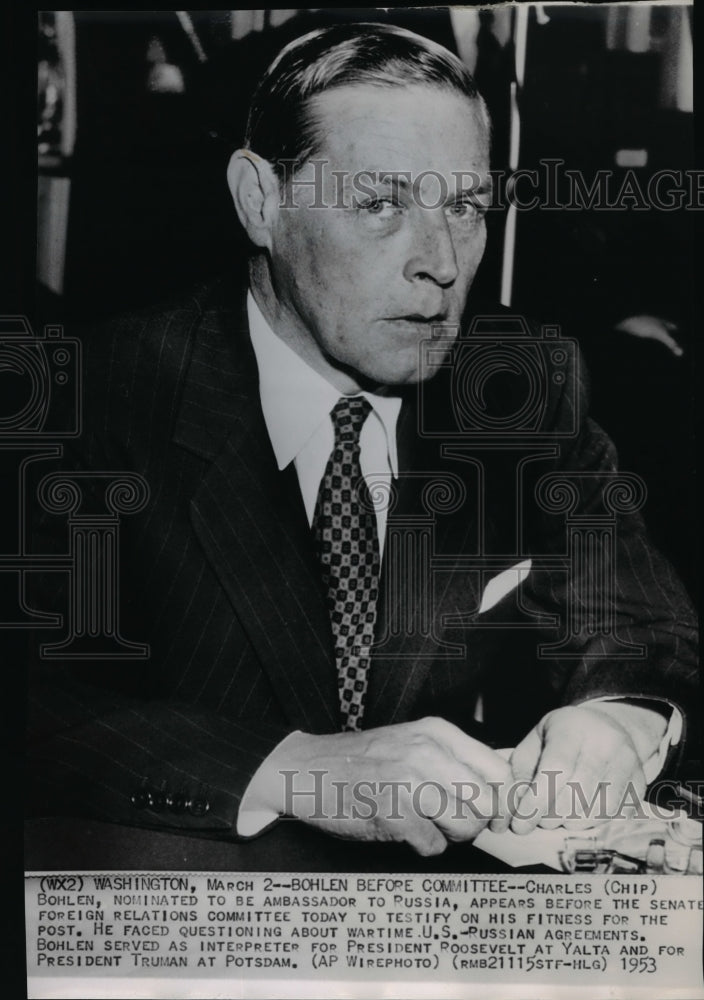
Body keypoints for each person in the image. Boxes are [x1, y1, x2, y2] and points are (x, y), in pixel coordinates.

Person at [27, 22, 697, 859]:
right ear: (258, 201)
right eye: (380, 203)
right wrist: (295, 767)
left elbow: (642, 623)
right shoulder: (90, 399)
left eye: (465, 207)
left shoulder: (519, 393)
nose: (442, 263)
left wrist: (619, 719)